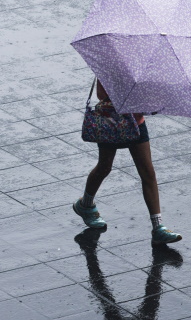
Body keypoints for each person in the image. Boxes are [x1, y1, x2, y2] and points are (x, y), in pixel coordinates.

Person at [73, 79, 182, 244]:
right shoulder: (109, 62)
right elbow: (101, 94)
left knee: (147, 172)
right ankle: (86, 205)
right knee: (104, 166)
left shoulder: (141, 66)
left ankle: (158, 227)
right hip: (111, 121)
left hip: (136, 122)